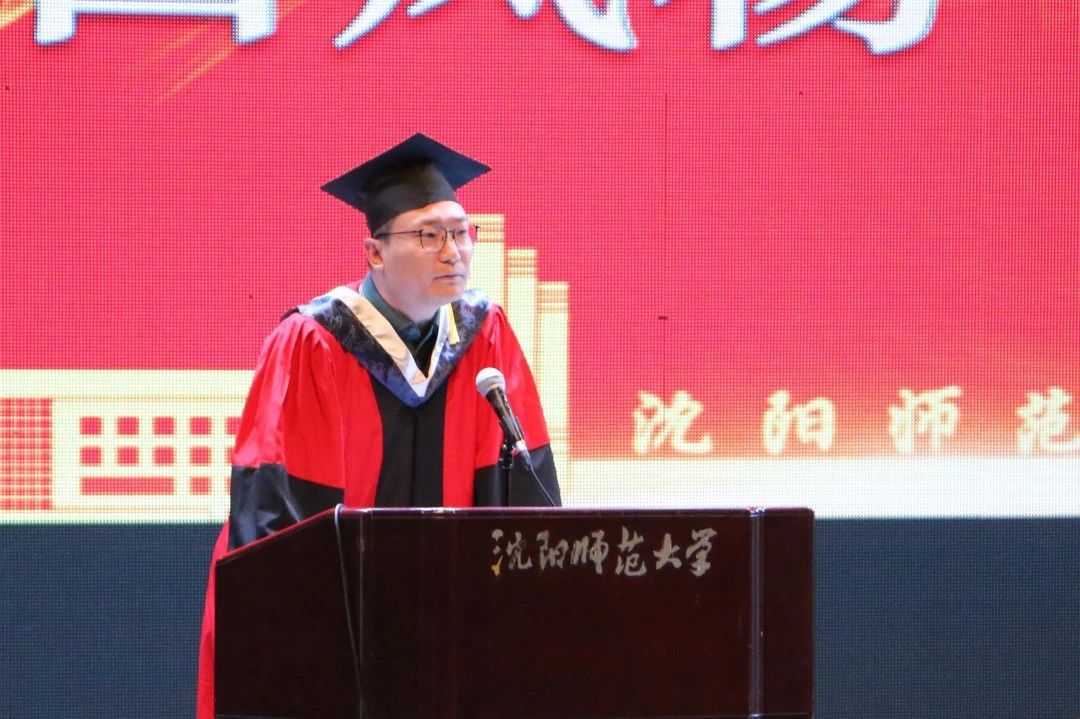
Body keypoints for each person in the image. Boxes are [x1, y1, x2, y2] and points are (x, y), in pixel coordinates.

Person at [196, 133, 561, 719]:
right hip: (340, 633)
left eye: (461, 232)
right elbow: (278, 511)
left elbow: (522, 491)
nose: (453, 252)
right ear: (374, 252)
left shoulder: (485, 334)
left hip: (453, 630)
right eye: (429, 235)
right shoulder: (314, 341)